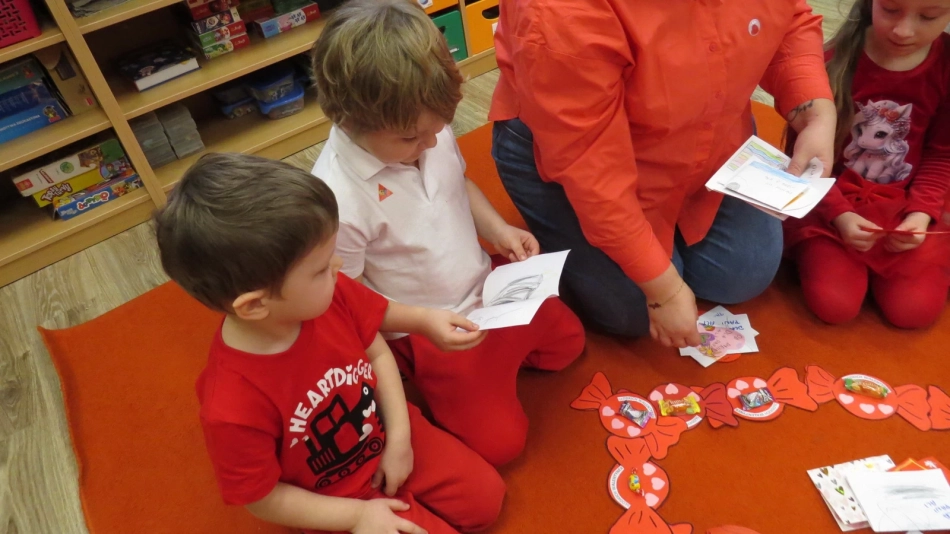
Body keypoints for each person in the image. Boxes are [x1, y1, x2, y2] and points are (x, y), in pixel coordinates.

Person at [153, 154, 506, 534]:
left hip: (390, 432)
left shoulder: (325, 295)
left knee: (486, 500)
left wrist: (401, 437)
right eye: (320, 268)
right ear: (255, 305)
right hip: (334, 498)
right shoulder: (230, 405)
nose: (338, 266)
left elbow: (377, 351)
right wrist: (357, 517)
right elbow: (262, 497)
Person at [310, 0, 585, 468]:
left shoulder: (424, 130)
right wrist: (420, 324)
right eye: (412, 138)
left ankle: (492, 368)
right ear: (348, 120)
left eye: (441, 127)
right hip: (429, 328)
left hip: (488, 288)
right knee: (499, 447)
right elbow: (346, 298)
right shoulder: (335, 198)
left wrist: (497, 229)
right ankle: (424, 373)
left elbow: (457, 183)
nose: (432, 142)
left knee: (569, 344)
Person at [489, 0, 839, 347]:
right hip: (574, 149)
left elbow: (788, 18)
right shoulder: (559, 11)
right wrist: (664, 290)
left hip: (707, 131)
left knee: (742, 275)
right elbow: (593, 173)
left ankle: (661, 241)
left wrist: (814, 110)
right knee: (633, 312)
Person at [784, 0, 950, 328]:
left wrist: (920, 215)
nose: (903, 31)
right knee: (835, 305)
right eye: (890, 9)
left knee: (913, 311)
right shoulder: (830, 61)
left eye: (928, 16)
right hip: (831, 204)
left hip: (907, 206)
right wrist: (840, 215)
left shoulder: (944, 66)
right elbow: (803, 159)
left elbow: (942, 154)